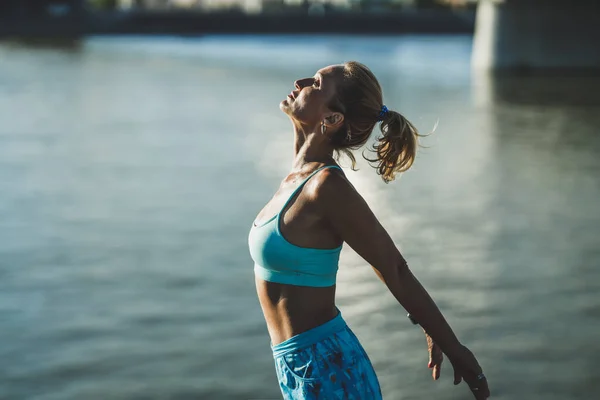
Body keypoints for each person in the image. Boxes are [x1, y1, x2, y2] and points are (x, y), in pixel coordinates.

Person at [248, 61, 490, 399]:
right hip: (295, 366)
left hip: (327, 368)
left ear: (332, 119)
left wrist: (454, 347)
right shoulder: (297, 176)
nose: (300, 81)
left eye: (315, 83)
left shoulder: (326, 186)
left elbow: (394, 268)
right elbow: (306, 145)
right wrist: (302, 126)